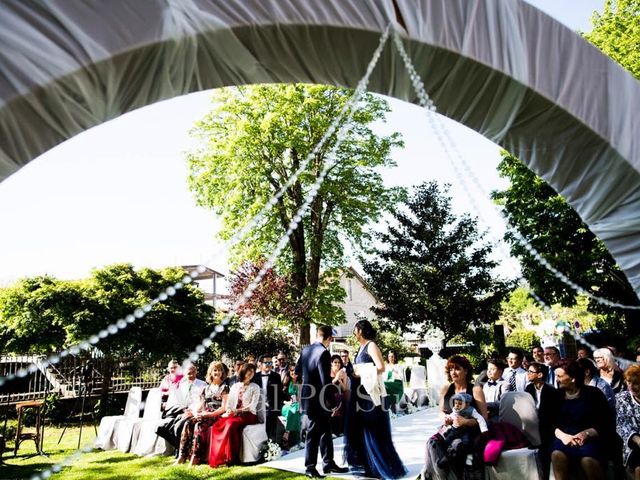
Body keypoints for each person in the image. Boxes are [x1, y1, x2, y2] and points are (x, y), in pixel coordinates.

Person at [344, 320, 407, 479]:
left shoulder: (371, 345)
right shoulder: (360, 348)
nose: (354, 333)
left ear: (361, 330)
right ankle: (369, 465)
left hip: (372, 395)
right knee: (363, 430)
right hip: (360, 393)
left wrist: (361, 371)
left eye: (355, 329)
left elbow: (381, 367)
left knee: (374, 430)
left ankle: (381, 467)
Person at [422, 355, 488, 480]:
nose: (453, 372)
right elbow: (440, 411)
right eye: (451, 369)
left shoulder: (475, 389)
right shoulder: (446, 388)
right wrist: (445, 418)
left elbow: (484, 418)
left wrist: (466, 421)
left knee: (457, 445)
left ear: (466, 370)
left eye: (457, 368)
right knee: (432, 443)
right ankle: (440, 476)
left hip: (470, 432)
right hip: (449, 429)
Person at [295, 325, 349, 478]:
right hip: (319, 398)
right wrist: (332, 403)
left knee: (326, 430)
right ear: (329, 337)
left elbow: (297, 371)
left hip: (307, 395)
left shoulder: (305, 350)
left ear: (317, 334)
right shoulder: (324, 353)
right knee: (313, 433)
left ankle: (328, 463)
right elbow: (326, 381)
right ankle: (310, 467)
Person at [550, 360, 614, 480]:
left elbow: (605, 422)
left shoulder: (594, 394)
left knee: (588, 460)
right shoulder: (555, 396)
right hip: (564, 437)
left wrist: (586, 434)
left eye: (559, 376)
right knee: (557, 455)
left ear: (573, 378)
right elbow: (550, 423)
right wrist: (564, 436)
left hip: (590, 438)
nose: (556, 380)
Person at [176, 361, 229, 465]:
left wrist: (209, 414)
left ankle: (196, 457)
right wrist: (196, 413)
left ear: (222, 373)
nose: (217, 372)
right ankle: (182, 455)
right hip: (205, 413)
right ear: (211, 372)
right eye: (215, 370)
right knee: (188, 423)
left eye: (219, 370)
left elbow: (224, 407)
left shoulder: (225, 388)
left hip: (217, 415)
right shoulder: (206, 388)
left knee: (199, 426)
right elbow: (201, 404)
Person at [208, 362, 260, 467]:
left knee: (230, 425)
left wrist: (237, 411)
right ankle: (219, 457)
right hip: (235, 414)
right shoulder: (235, 386)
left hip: (249, 415)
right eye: (248, 371)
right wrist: (228, 410)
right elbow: (230, 402)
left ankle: (231, 458)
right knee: (216, 426)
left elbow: (252, 406)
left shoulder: (255, 387)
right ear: (243, 372)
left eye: (253, 371)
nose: (251, 373)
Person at [158, 363, 207, 452]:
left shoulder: (203, 385)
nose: (191, 375)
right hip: (181, 411)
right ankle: (177, 446)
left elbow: (202, 402)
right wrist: (183, 409)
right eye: (189, 373)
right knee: (160, 427)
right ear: (185, 374)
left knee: (178, 426)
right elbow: (178, 400)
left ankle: (180, 451)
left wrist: (192, 410)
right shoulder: (181, 384)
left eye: (193, 372)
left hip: (194, 411)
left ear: (196, 372)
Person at [525, 362, 560, 480]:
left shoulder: (551, 391)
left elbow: (553, 414)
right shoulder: (529, 388)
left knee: (544, 453)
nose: (528, 374)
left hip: (548, 428)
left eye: (531, 372)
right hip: (533, 424)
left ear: (539, 375)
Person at [436, 392, 488, 469]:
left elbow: (480, 418)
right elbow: (451, 416)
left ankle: (468, 455)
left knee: (467, 442)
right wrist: (447, 421)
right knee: (447, 440)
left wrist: (484, 429)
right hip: (454, 430)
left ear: (467, 404)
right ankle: (445, 455)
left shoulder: (471, 410)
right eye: (455, 403)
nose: (456, 405)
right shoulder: (455, 410)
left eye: (459, 404)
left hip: (465, 430)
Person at [616, 364, 640, 479]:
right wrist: (637, 439)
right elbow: (621, 424)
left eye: (635, 383)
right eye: (628, 383)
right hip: (633, 444)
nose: (631, 387)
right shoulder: (622, 398)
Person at [252, 354, 283, 443]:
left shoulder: (276, 376)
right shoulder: (255, 376)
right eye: (266, 362)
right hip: (257, 407)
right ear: (260, 364)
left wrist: (277, 408)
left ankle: (270, 447)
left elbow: (279, 394)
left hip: (272, 407)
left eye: (270, 362)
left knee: (271, 426)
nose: (269, 364)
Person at [281, 363, 302, 448]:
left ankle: (287, 432)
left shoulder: (301, 383)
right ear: (289, 371)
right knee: (293, 410)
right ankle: (297, 441)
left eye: (296, 370)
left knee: (295, 410)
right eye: (292, 370)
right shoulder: (285, 383)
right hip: (286, 406)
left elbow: (301, 399)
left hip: (297, 406)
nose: (294, 372)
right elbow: (280, 399)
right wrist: (287, 403)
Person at [330, 354, 349, 435]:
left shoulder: (343, 373)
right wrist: (336, 377)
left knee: (340, 398)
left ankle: (340, 429)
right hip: (329, 394)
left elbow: (345, 388)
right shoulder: (328, 371)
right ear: (331, 363)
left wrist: (340, 380)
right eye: (335, 362)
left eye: (339, 362)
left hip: (339, 395)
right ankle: (332, 430)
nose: (337, 364)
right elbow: (329, 385)